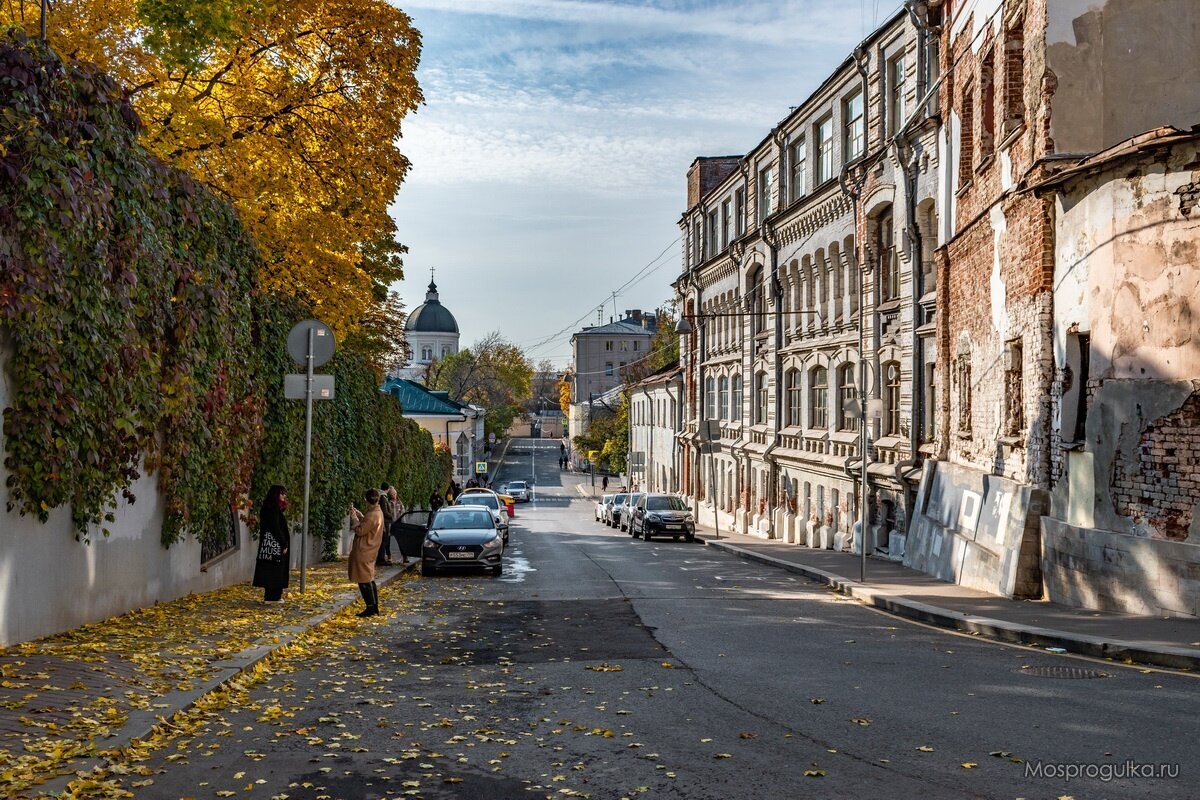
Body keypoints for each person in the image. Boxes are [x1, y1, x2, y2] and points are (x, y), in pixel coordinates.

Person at [348, 488, 385, 617]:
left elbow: (360, 530)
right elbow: (369, 524)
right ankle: (374, 606)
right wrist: (360, 515)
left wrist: (354, 518)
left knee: (363, 580)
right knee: (369, 579)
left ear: (366, 500)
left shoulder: (372, 515)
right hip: (370, 549)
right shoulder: (377, 512)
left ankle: (370, 607)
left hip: (364, 549)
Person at [252, 485, 291, 603]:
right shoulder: (272, 509)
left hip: (271, 544)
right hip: (275, 544)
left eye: (285, 494)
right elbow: (275, 528)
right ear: (275, 495)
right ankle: (272, 597)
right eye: (281, 493)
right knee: (275, 569)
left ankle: (274, 596)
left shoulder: (270, 508)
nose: (284, 496)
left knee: (273, 568)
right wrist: (283, 544)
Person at [376, 483, 396, 566]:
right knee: (384, 540)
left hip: (383, 521)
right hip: (384, 522)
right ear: (387, 489)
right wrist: (391, 516)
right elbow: (384, 511)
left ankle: (380, 558)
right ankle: (381, 559)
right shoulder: (383, 497)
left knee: (383, 540)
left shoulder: (380, 496)